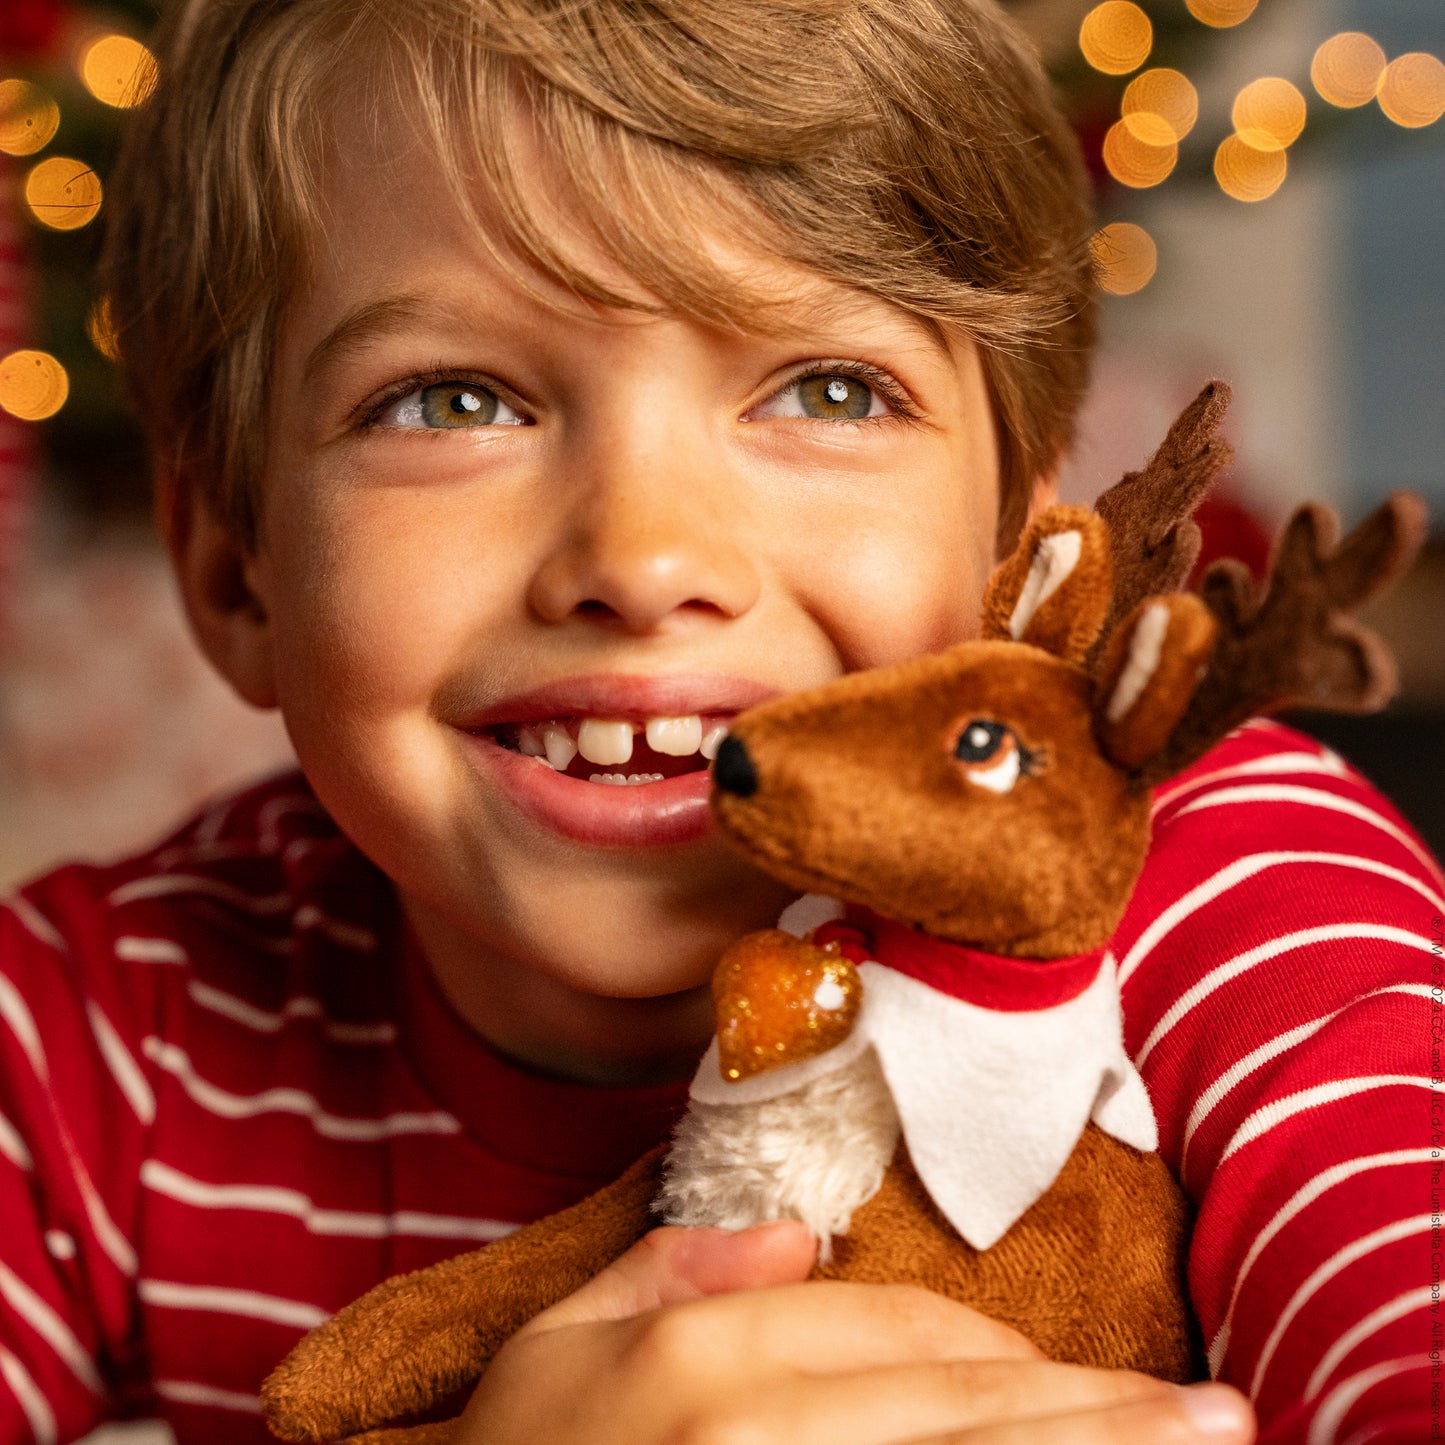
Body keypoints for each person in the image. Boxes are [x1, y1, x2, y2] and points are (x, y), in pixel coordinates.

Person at [1, 0, 1435, 1441]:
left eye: (826, 387)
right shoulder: (97, 1034)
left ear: (1020, 547)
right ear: (232, 567)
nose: (644, 558)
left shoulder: (1227, 899)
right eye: (451, 399)